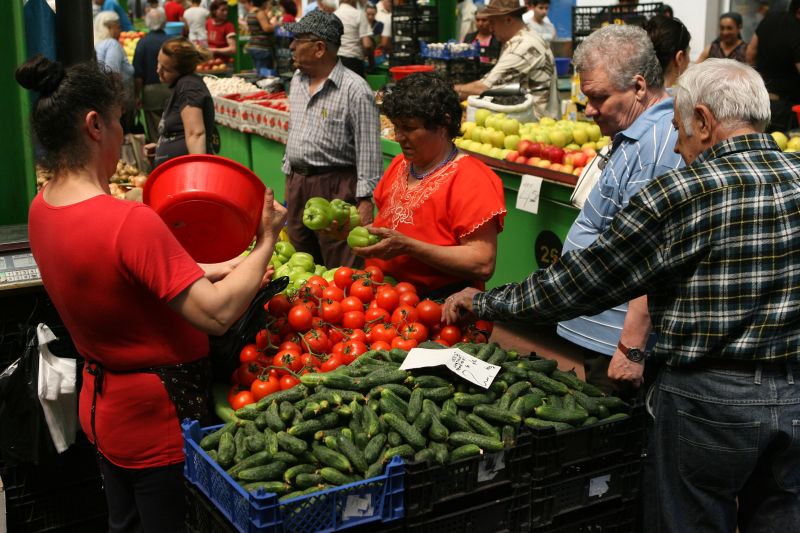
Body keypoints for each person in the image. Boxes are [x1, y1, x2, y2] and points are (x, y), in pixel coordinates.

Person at [444, 58, 800, 533]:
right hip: (795, 393)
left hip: (707, 402)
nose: (676, 144)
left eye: (679, 129)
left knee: (689, 519)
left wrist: (488, 302)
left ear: (703, 121)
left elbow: (583, 281)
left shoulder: (679, 194)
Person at [17, 53, 286, 533]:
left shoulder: (42, 208)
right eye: (121, 121)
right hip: (157, 418)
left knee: (125, 524)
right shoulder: (127, 220)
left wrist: (224, 265)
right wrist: (265, 242)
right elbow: (218, 315)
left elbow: (126, 275)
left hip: (103, 408)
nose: (124, 134)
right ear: (95, 125)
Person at [556, 24, 684, 393]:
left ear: (640, 87)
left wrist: (631, 348)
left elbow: (650, 254)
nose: (589, 110)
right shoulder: (641, 131)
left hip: (618, 341)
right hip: (603, 327)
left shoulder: (658, 148)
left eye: (598, 98)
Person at [352, 73, 506, 298]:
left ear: (443, 124)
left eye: (409, 128)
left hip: (436, 309)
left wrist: (409, 247)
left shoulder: (473, 180)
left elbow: (482, 264)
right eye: (397, 127)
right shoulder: (400, 165)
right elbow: (385, 227)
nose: (399, 137)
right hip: (384, 302)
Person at [282, 10, 382, 268]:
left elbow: (369, 149)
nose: (291, 46)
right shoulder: (297, 80)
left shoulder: (355, 89)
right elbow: (295, 130)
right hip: (298, 182)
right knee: (300, 259)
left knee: (340, 262)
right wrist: (289, 176)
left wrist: (364, 201)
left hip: (336, 187)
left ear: (319, 48)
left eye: (298, 40)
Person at [454, 0, 557, 119]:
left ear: (508, 20)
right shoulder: (527, 36)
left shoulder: (522, 47)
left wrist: (449, 90)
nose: (491, 28)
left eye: (493, 22)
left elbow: (483, 88)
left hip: (538, 127)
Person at [145, 38, 216, 167]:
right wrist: (161, 147)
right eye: (158, 63)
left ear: (181, 71)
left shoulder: (189, 86)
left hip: (186, 174)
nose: (158, 71)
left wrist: (198, 171)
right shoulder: (181, 85)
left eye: (165, 69)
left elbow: (196, 133)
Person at [746, 0, 800, 132]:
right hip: (787, 109)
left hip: (761, 101)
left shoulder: (770, 18)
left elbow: (750, 53)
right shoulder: (797, 30)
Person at [134, 7, 172, 144]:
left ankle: (159, 161)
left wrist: (137, 95)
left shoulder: (142, 43)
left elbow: (138, 74)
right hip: (172, 90)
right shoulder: (172, 41)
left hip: (151, 93)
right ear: (164, 22)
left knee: (155, 133)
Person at [94, 11, 135, 132]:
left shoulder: (97, 44)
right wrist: (119, 102)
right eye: (118, 27)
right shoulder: (112, 44)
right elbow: (112, 72)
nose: (120, 30)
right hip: (117, 105)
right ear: (108, 28)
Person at [643, 15, 691, 90]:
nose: (689, 61)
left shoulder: (635, 92)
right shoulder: (678, 100)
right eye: (688, 53)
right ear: (680, 58)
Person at [334, 0, 373, 76]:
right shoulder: (358, 14)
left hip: (335, 61)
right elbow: (367, 45)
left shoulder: (334, 15)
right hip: (354, 61)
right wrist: (371, 62)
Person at [245, 0, 278, 74]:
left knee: (259, 71)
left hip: (254, 45)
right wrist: (276, 25)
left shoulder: (251, 13)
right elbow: (266, 28)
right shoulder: (259, 12)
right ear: (264, 2)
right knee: (264, 73)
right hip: (262, 47)